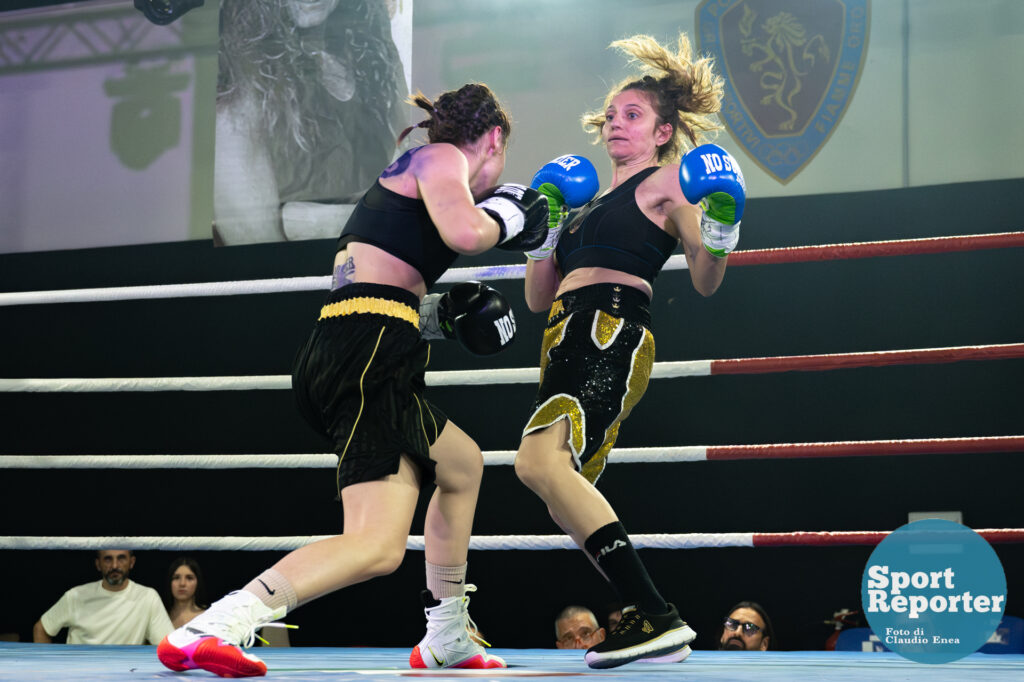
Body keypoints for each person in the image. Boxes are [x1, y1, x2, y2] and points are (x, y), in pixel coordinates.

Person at [158, 82, 551, 678]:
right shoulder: (442, 157)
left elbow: (376, 288)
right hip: (367, 354)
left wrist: (443, 318)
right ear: (494, 137)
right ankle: (214, 625)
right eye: (499, 162)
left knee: (463, 463)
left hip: (359, 345)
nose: (492, 182)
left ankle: (446, 633)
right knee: (375, 547)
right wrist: (511, 212)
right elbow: (468, 235)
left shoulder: (407, 179)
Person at [513, 32, 745, 670]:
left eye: (633, 115)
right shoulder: (584, 203)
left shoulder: (667, 184)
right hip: (562, 332)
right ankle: (649, 616)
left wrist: (722, 221)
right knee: (553, 481)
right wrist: (543, 228)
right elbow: (538, 296)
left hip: (611, 328)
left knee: (540, 466)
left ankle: (656, 614)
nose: (617, 123)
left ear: (664, 131)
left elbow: (705, 279)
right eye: (611, 115)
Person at [214, 0, 408, 244]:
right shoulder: (236, 80)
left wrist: (305, 219)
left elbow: (409, 185)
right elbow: (255, 247)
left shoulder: (374, 55)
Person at [33, 549, 173, 645]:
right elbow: (42, 629)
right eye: (107, 559)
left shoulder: (148, 597)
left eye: (121, 558)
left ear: (132, 562)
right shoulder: (76, 596)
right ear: (98, 564)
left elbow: (167, 645)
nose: (114, 565)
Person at [163, 557, 209, 629]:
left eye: (189, 578)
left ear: (198, 582)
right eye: (176, 577)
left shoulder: (208, 616)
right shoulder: (160, 616)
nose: (182, 583)